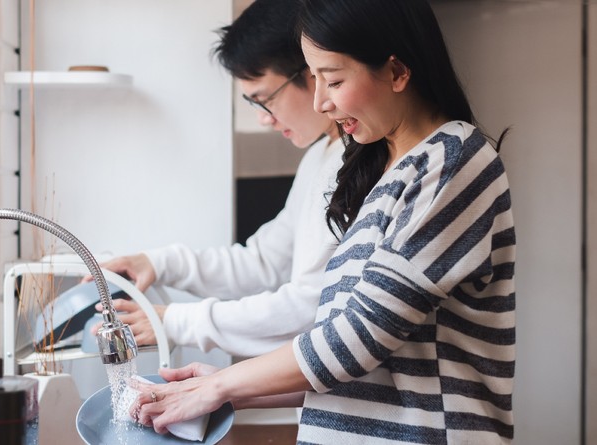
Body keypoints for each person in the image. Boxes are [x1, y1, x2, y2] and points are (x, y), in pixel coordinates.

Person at [131, 0, 516, 443]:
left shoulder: (451, 162)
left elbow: (359, 337)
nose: (321, 102)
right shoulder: (375, 171)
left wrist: (221, 382)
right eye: (314, 81)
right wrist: (230, 392)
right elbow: (359, 366)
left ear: (396, 71)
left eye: (332, 80)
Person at [90, 0, 344, 358]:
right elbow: (265, 263)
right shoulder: (320, 157)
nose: (264, 118)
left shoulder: (355, 165)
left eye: (264, 99)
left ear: (313, 71)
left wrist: (175, 321)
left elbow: (309, 306)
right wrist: (160, 262)